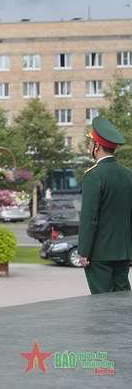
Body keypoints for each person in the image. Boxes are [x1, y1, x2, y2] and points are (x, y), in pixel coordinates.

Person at [79, 117, 132, 294]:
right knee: (124, 305)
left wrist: (84, 251)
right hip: (123, 252)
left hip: (99, 254)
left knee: (103, 308)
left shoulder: (93, 176)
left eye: (90, 142)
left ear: (96, 146)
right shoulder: (128, 175)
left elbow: (89, 218)